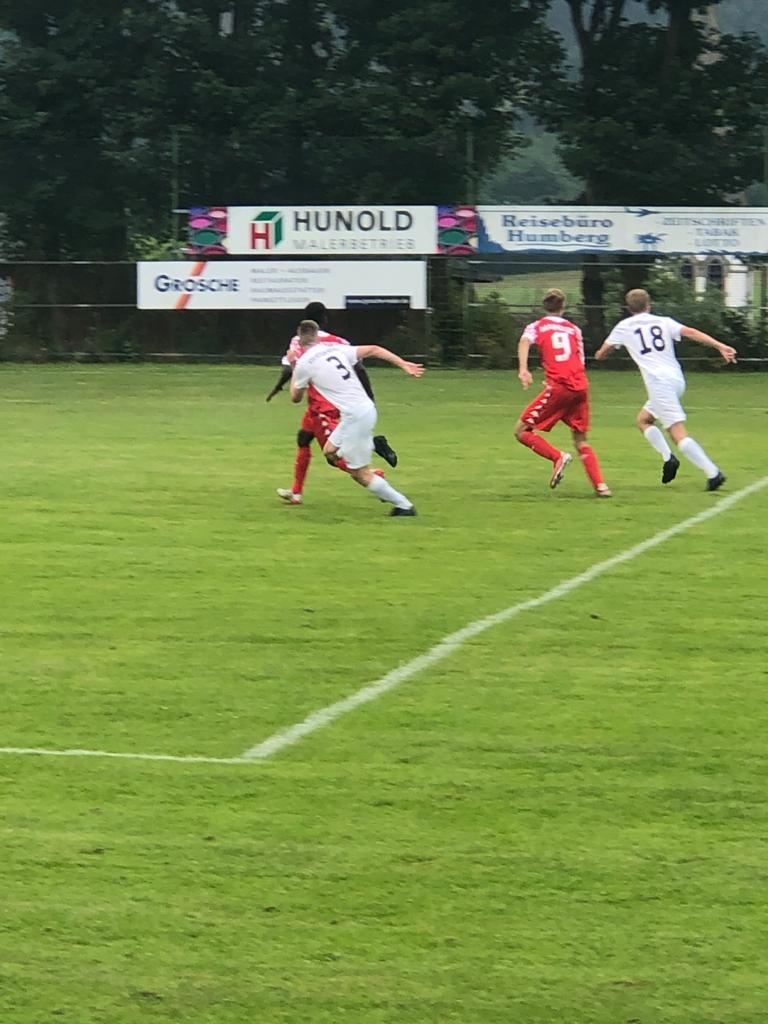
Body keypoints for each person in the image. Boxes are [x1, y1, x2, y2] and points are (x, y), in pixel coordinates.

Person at [594, 288, 737, 491]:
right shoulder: (664, 321)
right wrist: (720, 345)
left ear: (628, 308)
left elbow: (602, 353)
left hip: (659, 383)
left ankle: (713, 473)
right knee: (643, 420)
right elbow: (691, 332)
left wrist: (601, 354)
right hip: (676, 379)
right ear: (648, 305)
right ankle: (668, 457)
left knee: (676, 432)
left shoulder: (624, 326)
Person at [266, 301, 398, 505]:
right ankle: (296, 493)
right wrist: (369, 397)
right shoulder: (338, 341)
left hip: (323, 405)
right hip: (328, 402)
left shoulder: (297, 340)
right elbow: (359, 367)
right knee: (303, 438)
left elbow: (289, 370)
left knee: (332, 455)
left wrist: (278, 387)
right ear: (325, 319)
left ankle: (374, 470)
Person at [289, 320, 423, 516]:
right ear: (317, 336)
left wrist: (294, 365)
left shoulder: (304, 363)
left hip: (356, 416)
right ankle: (371, 446)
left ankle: (404, 506)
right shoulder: (335, 349)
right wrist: (403, 364)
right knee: (330, 452)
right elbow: (374, 349)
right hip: (360, 410)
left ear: (299, 339)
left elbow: (295, 398)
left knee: (359, 474)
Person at [515, 288, 612, 497]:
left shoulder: (537, 326)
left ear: (544, 306)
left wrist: (523, 369)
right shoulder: (574, 329)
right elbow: (580, 361)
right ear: (563, 307)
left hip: (560, 386)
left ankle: (557, 457)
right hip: (580, 386)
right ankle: (601, 486)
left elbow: (524, 341)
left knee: (521, 431)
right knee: (581, 439)